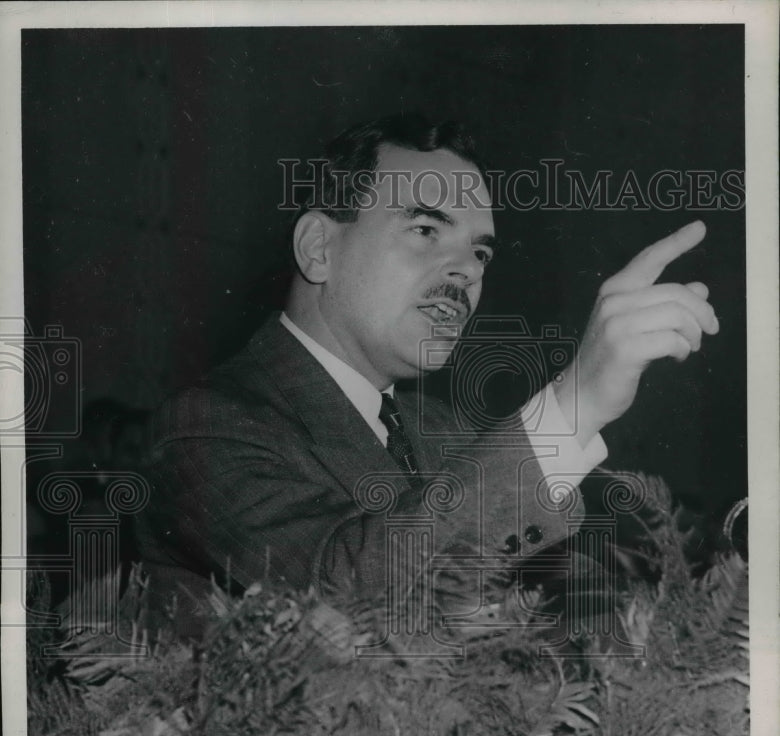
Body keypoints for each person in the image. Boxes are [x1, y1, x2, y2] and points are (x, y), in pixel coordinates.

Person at [137, 114, 718, 638]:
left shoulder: (446, 431)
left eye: (481, 254)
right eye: (425, 231)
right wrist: (573, 406)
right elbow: (344, 597)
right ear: (318, 248)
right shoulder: (203, 428)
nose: (465, 270)